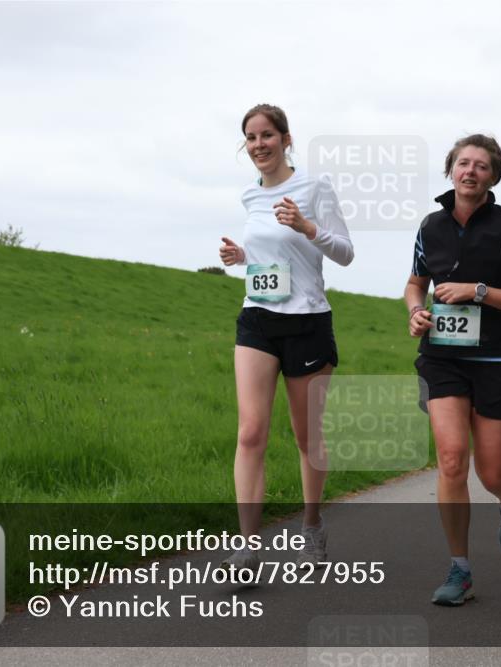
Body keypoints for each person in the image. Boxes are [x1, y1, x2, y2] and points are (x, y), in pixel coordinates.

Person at [404, 134, 501, 606]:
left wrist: (477, 291)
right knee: (450, 459)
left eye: (481, 166)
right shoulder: (430, 226)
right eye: (463, 163)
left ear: (493, 176)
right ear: (450, 170)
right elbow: (414, 282)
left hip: (499, 360)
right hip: (443, 358)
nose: (470, 171)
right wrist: (415, 311)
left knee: (491, 472)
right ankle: (460, 569)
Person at [218, 103, 354, 570]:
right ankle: (249, 546)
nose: (259, 145)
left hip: (307, 323)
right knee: (250, 431)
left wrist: (306, 226)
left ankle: (312, 524)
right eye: (251, 138)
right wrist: (242, 258)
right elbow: (268, 262)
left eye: (267, 136)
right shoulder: (249, 196)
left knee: (307, 437)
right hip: (257, 319)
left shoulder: (315, 187)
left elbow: (346, 253)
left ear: (285, 138)